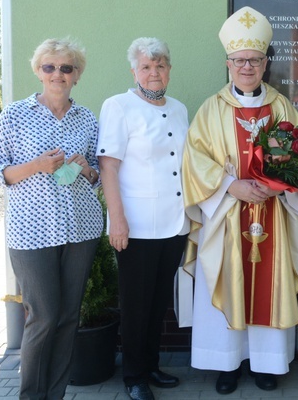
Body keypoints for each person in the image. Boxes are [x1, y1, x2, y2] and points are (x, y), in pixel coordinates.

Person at [181, 6, 298, 394]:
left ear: (266, 63)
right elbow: (194, 160)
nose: (247, 66)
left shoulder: (283, 107)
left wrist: (279, 184)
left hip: (273, 214)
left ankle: (266, 363)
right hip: (225, 218)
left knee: (268, 282)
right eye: (240, 60)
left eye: (254, 60)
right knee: (228, 277)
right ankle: (227, 363)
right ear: (228, 63)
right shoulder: (210, 109)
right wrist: (229, 186)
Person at [0, 38, 103, 399]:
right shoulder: (15, 115)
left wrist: (87, 170)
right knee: (44, 316)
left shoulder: (87, 118)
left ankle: (56, 393)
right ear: (38, 71)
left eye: (66, 68)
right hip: (31, 233)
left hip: (81, 228)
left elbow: (98, 172)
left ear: (76, 75)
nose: (57, 74)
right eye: (49, 67)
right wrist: (35, 166)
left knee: (68, 318)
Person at [97, 37, 190, 400]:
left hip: (174, 222)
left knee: (157, 302)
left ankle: (150, 365)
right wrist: (116, 219)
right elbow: (108, 166)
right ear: (134, 71)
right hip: (135, 225)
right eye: (147, 66)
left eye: (161, 65)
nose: (154, 72)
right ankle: (134, 377)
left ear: (169, 70)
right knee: (136, 304)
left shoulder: (180, 108)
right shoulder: (119, 106)